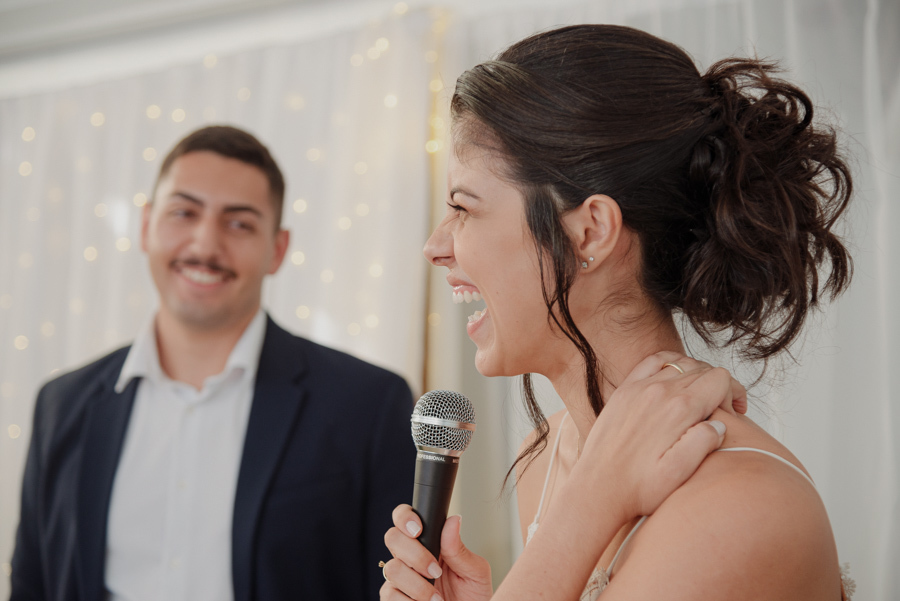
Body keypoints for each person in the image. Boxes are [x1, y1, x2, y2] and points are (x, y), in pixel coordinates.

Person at [381, 24, 854, 601]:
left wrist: (588, 506)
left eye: (463, 207)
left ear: (591, 232)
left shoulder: (736, 503)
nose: (435, 246)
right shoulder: (549, 454)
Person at [10, 125, 416, 601]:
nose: (205, 245)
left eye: (239, 223)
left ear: (277, 250)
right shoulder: (60, 404)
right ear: (145, 226)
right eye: (183, 213)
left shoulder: (367, 404)